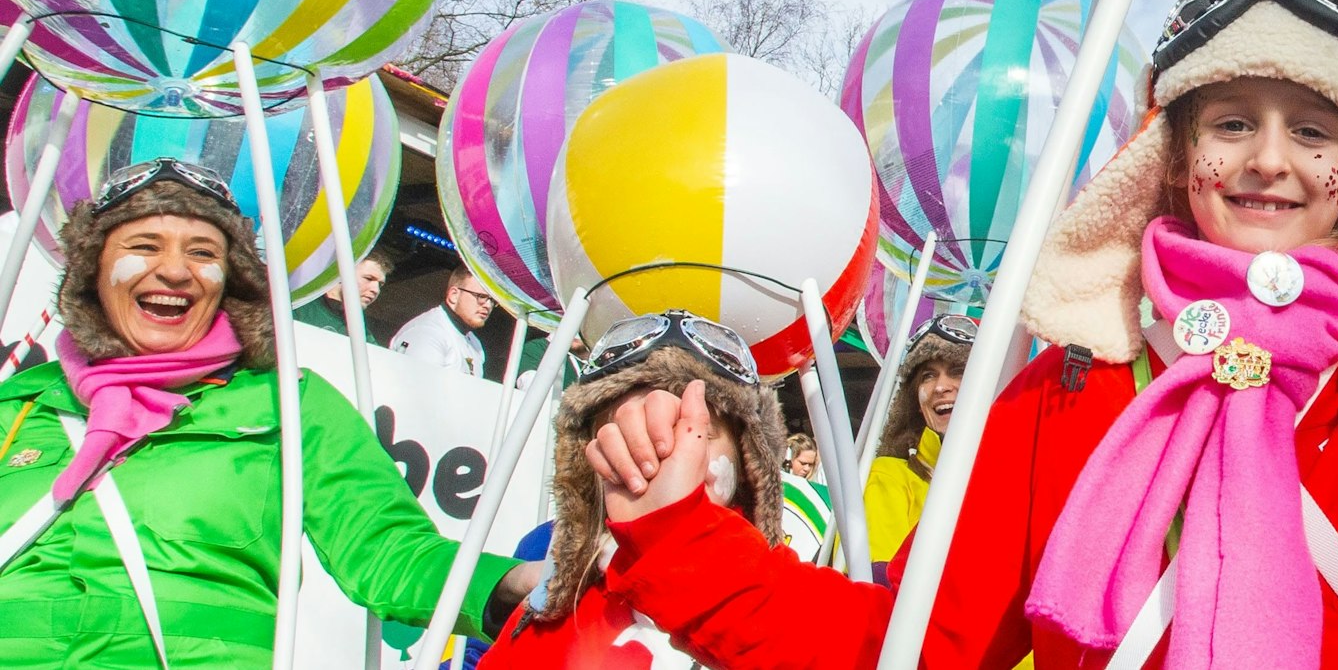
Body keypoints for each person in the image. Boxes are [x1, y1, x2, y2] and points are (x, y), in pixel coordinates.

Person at [562, 0, 1338, 668]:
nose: (1269, 161)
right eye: (1232, 120)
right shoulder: (1066, 396)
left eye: (1314, 129)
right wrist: (673, 528)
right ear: (1173, 158)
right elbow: (905, 647)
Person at [0, 158, 537, 667]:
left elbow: (390, 552)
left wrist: (509, 585)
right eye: (144, 245)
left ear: (233, 281)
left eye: (203, 253)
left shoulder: (290, 404)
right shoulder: (21, 405)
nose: (175, 271)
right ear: (93, 272)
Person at [478, 310, 785, 668]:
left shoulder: (780, 610)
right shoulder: (554, 590)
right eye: (625, 436)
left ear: (749, 465)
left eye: (699, 430)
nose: (665, 451)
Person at [862, 314, 970, 563]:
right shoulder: (888, 476)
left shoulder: (1006, 482)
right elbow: (878, 586)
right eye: (928, 376)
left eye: (956, 370)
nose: (941, 387)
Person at [390, 264, 494, 377]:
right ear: (454, 295)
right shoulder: (426, 332)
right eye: (481, 296)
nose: (488, 305)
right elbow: (419, 387)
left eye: (492, 300)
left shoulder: (475, 343)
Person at [292, 249, 390, 344]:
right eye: (368, 278)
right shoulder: (299, 306)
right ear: (341, 273)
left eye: (380, 284)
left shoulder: (361, 331)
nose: (376, 290)